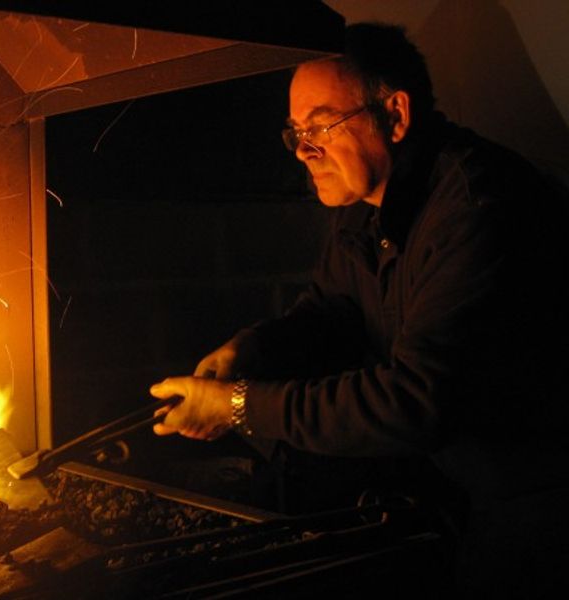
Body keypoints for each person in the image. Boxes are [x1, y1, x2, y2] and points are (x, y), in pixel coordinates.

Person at [149, 22, 569, 598]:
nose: (303, 150)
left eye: (320, 125)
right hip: (457, 481)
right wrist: (251, 348)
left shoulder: (478, 207)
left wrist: (242, 406)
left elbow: (416, 400)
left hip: (539, 494)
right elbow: (333, 310)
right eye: (296, 131)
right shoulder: (364, 200)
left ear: (394, 116)